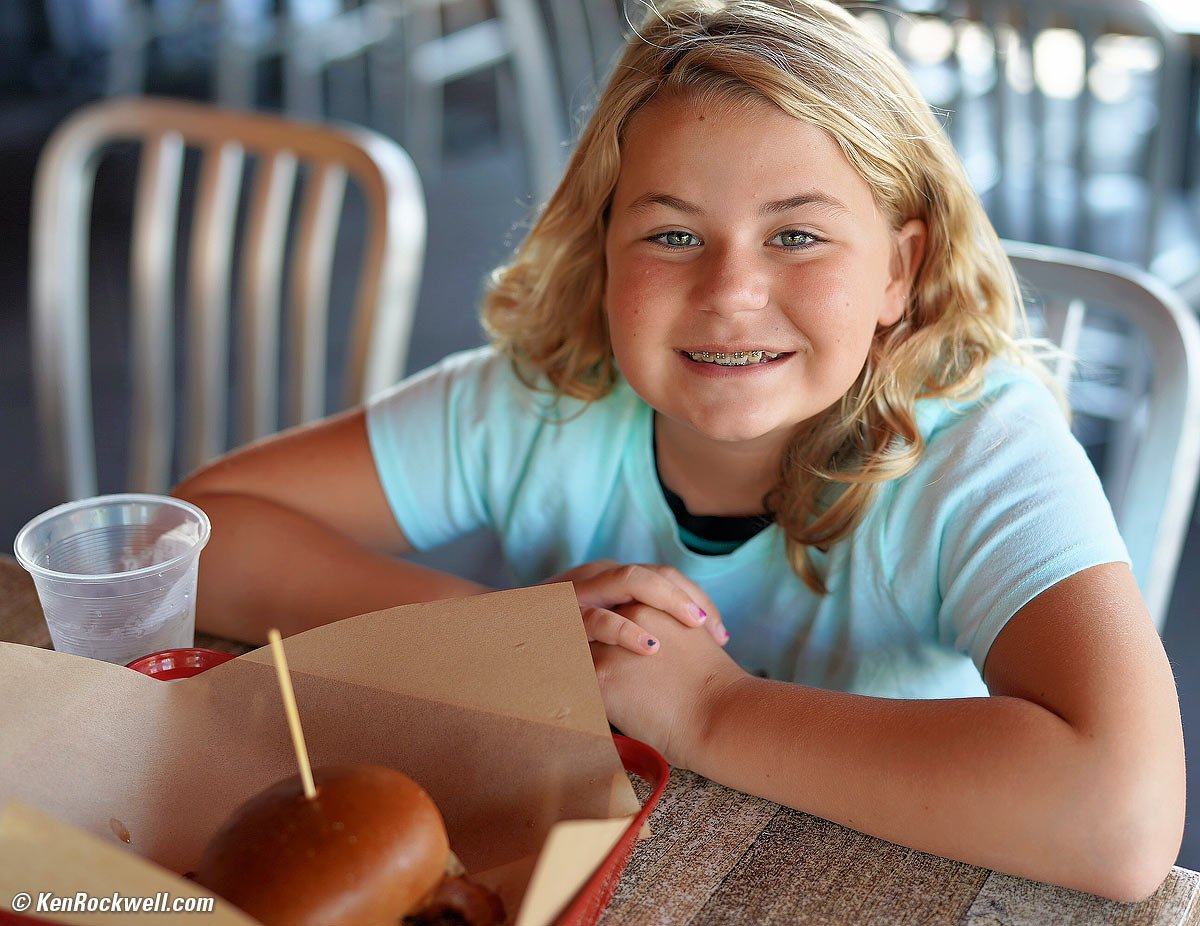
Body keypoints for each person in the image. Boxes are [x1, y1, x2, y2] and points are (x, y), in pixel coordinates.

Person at [173, 0, 1185, 901]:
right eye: (670, 235)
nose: (730, 291)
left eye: (796, 237)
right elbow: (204, 537)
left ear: (899, 270)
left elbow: (1124, 817)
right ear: (602, 247)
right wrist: (501, 639)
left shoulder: (981, 447)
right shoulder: (548, 397)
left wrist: (710, 707)